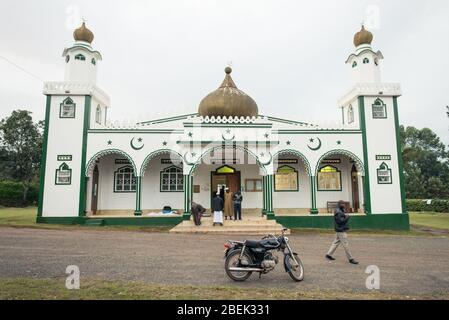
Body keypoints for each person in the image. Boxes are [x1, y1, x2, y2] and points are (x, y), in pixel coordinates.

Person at [325, 200, 359, 265]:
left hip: (339, 230)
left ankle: (328, 254)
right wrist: (347, 217)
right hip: (341, 230)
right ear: (339, 205)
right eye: (342, 204)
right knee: (345, 244)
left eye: (344, 204)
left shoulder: (340, 210)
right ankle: (351, 258)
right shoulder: (339, 212)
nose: (344, 205)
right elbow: (340, 222)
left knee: (336, 242)